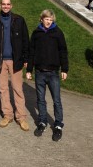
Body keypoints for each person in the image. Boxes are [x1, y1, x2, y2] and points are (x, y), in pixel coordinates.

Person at [0, 0, 30, 131]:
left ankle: (21, 117)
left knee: (17, 89)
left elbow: (25, 41)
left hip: (15, 60)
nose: (6, 6)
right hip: (0, 61)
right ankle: (7, 115)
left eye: (8, 4)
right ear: (0, 5)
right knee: (3, 89)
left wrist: (26, 59)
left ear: (11, 5)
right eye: (3, 4)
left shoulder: (19, 20)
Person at [26, 9, 69, 142]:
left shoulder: (57, 33)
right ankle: (42, 122)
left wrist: (64, 69)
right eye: (46, 19)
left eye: (50, 20)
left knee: (56, 100)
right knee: (40, 99)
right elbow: (31, 51)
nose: (48, 22)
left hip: (53, 72)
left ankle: (58, 125)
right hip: (39, 72)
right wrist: (29, 70)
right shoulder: (36, 33)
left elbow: (63, 51)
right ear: (42, 19)